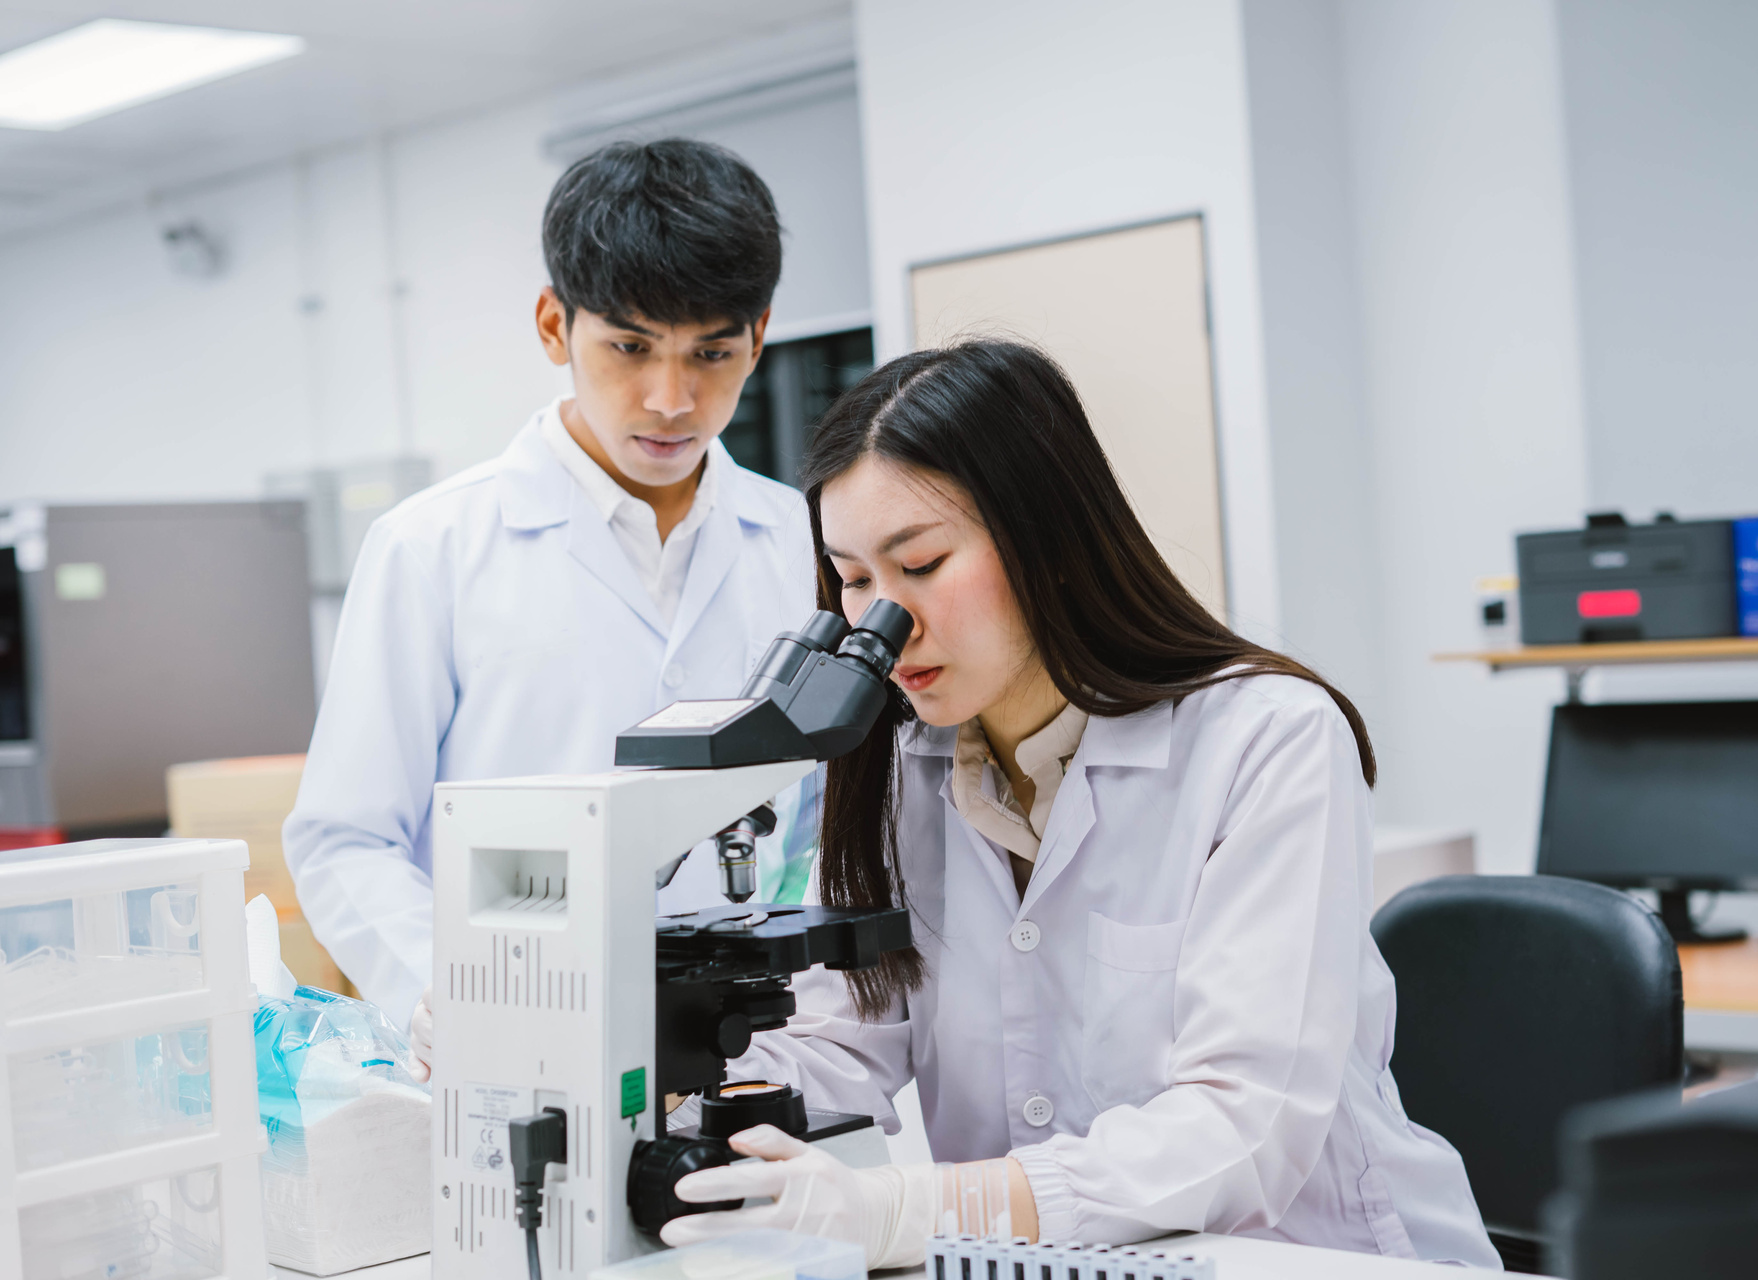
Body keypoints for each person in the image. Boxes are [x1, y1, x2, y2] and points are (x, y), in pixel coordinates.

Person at [657, 341, 1500, 1268]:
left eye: (923, 564)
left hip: (1312, 1257)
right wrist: (680, 1084)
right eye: (854, 581)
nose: (882, 625)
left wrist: (909, 1207)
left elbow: (1240, 1129)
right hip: (1038, 1259)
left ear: (1045, 540)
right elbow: (841, 1042)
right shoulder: (897, 768)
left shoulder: (1265, 740)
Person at [283, 139, 818, 1054]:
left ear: (759, 336)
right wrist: (451, 998)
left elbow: (818, 820)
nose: (671, 399)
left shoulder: (804, 541)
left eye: (713, 353)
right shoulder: (432, 546)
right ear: (551, 325)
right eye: (629, 347)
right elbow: (344, 840)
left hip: (751, 1041)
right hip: (514, 1037)